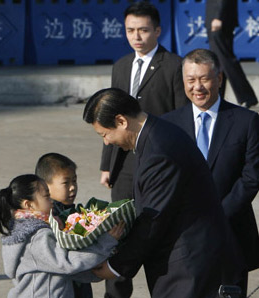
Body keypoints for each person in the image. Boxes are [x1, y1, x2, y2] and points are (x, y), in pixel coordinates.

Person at [83, 88, 246, 298]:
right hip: (190, 263)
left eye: (105, 134)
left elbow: (153, 219)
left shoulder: (158, 152)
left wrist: (116, 266)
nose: (106, 142)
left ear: (121, 121)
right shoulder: (158, 133)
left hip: (191, 271)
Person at [101, 3, 188, 295]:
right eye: (130, 30)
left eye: (143, 29)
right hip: (124, 165)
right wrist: (106, 164)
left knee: (153, 231)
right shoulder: (121, 65)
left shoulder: (174, 65)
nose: (136, 36)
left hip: (158, 161)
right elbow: (108, 118)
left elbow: (181, 118)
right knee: (116, 234)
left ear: (158, 30)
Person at [161, 48, 259, 298]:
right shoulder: (169, 125)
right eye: (191, 80)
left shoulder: (246, 121)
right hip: (183, 239)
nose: (198, 87)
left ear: (219, 78)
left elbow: (251, 178)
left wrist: (218, 216)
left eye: (204, 78)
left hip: (231, 233)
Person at [0, 174, 125, 298]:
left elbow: (63, 270)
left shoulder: (33, 230)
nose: (51, 201)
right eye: (46, 196)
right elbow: (67, 263)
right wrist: (105, 243)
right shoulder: (35, 238)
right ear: (29, 204)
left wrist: (95, 272)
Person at [35, 152, 93, 298]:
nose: (73, 187)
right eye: (66, 182)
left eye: (74, 181)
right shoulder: (50, 217)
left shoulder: (71, 210)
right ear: (45, 186)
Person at [205, 0, 258, 108]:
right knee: (219, 63)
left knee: (225, 60)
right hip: (217, 18)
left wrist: (219, 16)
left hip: (219, 20)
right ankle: (218, 99)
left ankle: (247, 96)